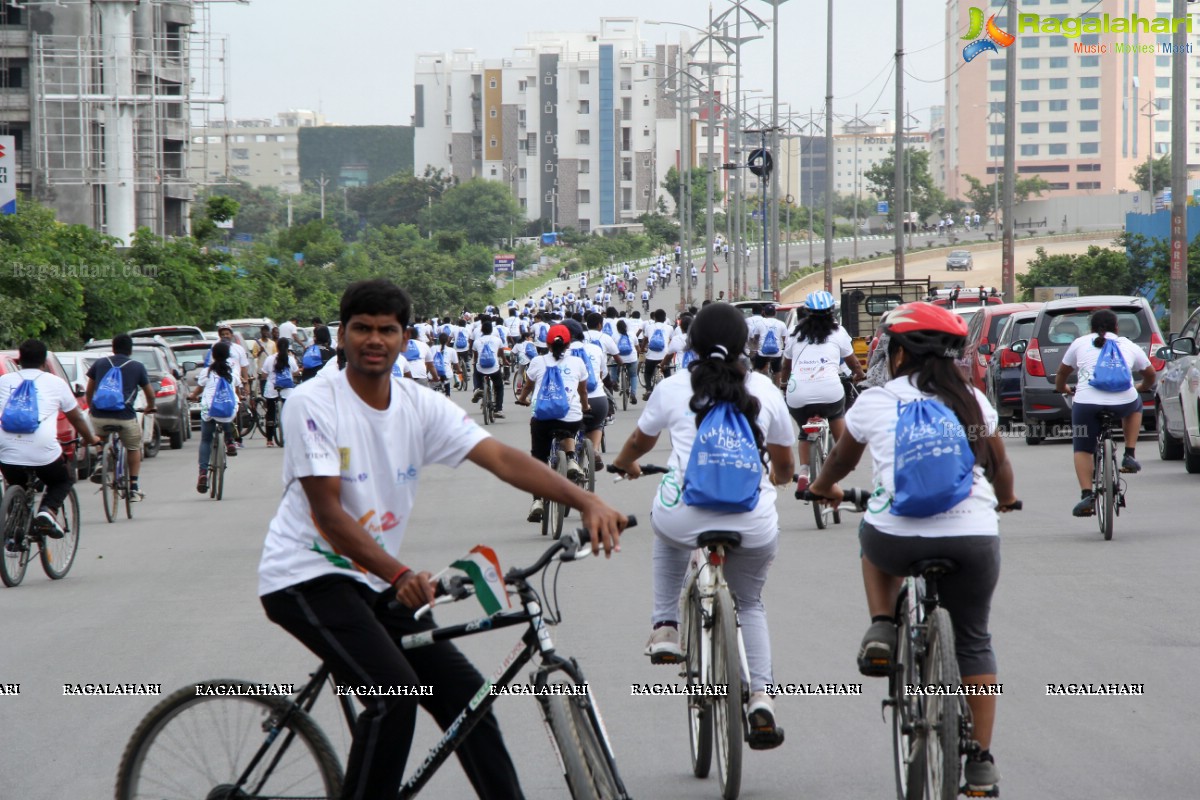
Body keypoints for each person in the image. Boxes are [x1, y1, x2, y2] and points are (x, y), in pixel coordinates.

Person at [258, 279, 626, 800]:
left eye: (387, 330)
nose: (374, 339)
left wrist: (586, 500)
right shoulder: (313, 403)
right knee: (395, 698)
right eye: (361, 328)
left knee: (466, 696)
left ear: (405, 339)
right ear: (342, 336)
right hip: (305, 576)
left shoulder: (416, 403)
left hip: (370, 578)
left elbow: (500, 457)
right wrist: (401, 574)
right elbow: (328, 516)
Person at [807, 301, 1018, 798]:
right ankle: (982, 762)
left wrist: (820, 489)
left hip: (896, 539)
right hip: (973, 538)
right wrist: (1005, 501)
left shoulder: (876, 401)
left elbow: (841, 459)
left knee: (870, 539)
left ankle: (882, 623)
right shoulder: (973, 402)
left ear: (898, 354)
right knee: (973, 639)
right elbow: (1000, 466)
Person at [611, 302, 793, 749]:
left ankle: (665, 625)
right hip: (752, 523)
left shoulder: (674, 388)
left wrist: (623, 463)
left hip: (685, 515)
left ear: (689, 342)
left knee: (664, 524)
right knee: (749, 604)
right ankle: (762, 697)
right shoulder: (766, 390)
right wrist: (775, 477)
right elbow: (785, 466)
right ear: (745, 345)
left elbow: (639, 441)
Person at [1054, 309, 1155, 516]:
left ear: (1090, 328)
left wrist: (1063, 388)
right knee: (1136, 406)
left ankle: (1086, 496)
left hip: (1086, 403)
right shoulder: (1128, 345)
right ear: (1116, 328)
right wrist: (1140, 387)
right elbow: (1150, 375)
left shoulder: (1080, 343)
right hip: (1123, 401)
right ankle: (1129, 454)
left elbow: (1062, 374)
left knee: (1082, 448)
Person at [0, 339, 100, 541]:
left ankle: (14, 531)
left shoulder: (3, 381)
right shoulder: (56, 383)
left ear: (19, 361)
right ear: (44, 362)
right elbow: (77, 417)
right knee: (63, 479)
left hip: (6, 449)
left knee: (14, 482)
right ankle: (48, 511)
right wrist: (91, 439)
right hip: (42, 449)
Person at [782, 292, 864, 493]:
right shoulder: (839, 332)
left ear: (807, 312)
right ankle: (841, 459)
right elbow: (852, 362)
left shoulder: (794, 332)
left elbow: (786, 366)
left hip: (797, 393)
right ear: (831, 312)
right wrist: (859, 374)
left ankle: (803, 472)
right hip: (830, 392)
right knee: (837, 413)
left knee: (804, 431)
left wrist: (784, 383)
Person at [515, 324, 591, 522]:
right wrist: (585, 407)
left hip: (543, 419)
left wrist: (522, 399)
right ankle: (572, 458)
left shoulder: (538, 362)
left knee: (538, 457)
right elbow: (583, 392)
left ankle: (538, 500)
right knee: (571, 427)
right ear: (568, 344)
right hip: (571, 416)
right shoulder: (577, 362)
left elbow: (528, 386)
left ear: (547, 344)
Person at [85, 333, 156, 500]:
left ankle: (102, 459)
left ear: (113, 348)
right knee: (133, 447)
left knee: (100, 436)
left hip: (99, 416)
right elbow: (150, 395)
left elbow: (89, 391)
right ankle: (133, 487)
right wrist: (150, 407)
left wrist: (92, 408)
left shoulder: (100, 363)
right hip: (125, 417)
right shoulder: (137, 366)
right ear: (130, 350)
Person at [190, 340, 241, 493]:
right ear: (228, 356)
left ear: (213, 355)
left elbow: (199, 389)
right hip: (226, 410)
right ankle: (230, 440)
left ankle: (203, 473)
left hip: (209, 409)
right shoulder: (232, 371)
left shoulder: (206, 372)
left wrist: (192, 395)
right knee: (228, 410)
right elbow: (236, 389)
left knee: (206, 439)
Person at [564, 319, 608, 470]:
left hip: (572, 403)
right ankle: (594, 450)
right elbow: (602, 374)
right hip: (599, 401)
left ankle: (569, 459)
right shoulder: (596, 349)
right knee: (597, 423)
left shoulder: (561, 352)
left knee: (564, 426)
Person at [260, 337, 298, 447]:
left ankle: (269, 440)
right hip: (287, 391)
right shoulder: (290, 359)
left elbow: (264, 374)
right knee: (289, 414)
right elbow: (295, 372)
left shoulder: (270, 359)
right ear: (287, 347)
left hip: (272, 389)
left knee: (270, 413)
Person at [471, 319, 507, 418]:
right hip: (494, 368)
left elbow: (475, 356)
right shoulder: (497, 340)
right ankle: (498, 410)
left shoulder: (477, 341)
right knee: (499, 387)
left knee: (476, 372)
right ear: (492, 330)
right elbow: (501, 354)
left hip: (481, 368)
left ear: (481, 330)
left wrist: (475, 362)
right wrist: (505, 361)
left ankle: (478, 388)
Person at [753, 304, 790, 388]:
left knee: (757, 369)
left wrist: (756, 344)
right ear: (775, 313)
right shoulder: (781, 323)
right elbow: (785, 340)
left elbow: (756, 338)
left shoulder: (759, 323)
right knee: (777, 370)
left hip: (762, 352)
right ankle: (777, 388)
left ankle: (756, 385)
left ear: (764, 313)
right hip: (776, 353)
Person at [640, 309, 673, 401]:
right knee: (667, 373)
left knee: (647, 373)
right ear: (665, 318)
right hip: (664, 357)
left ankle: (649, 389)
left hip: (651, 357)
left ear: (654, 317)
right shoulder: (669, 328)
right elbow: (672, 341)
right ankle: (669, 390)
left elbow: (645, 341)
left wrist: (642, 350)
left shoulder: (649, 327)